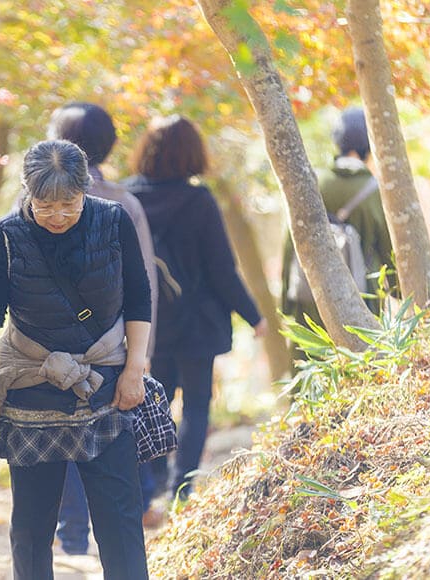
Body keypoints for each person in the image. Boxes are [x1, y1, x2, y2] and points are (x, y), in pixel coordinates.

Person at [0, 140, 150, 579]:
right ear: (27, 192)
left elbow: (139, 298)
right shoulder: (9, 235)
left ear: (86, 191)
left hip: (104, 383)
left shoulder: (113, 220)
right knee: (31, 526)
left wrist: (134, 370)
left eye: (69, 203)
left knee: (119, 521)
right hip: (33, 389)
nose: (58, 215)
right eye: (46, 205)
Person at [124, 115, 267, 501]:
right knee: (197, 405)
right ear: (192, 151)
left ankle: (149, 481)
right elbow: (222, 270)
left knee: (155, 399)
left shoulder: (126, 198)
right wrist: (254, 316)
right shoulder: (199, 200)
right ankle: (182, 488)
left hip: (145, 322)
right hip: (197, 323)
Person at [46, 102, 160, 552]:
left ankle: (72, 537)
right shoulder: (125, 204)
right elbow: (144, 285)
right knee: (113, 439)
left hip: (51, 348)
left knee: (62, 434)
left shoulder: (34, 202)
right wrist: (142, 354)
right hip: (114, 346)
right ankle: (116, 541)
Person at [281, 106, 393, 329]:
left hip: (312, 300)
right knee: (362, 362)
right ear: (368, 146)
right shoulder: (374, 192)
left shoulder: (313, 184)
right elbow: (388, 249)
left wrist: (286, 301)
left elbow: (290, 244)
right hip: (362, 303)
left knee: (312, 361)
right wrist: (402, 290)